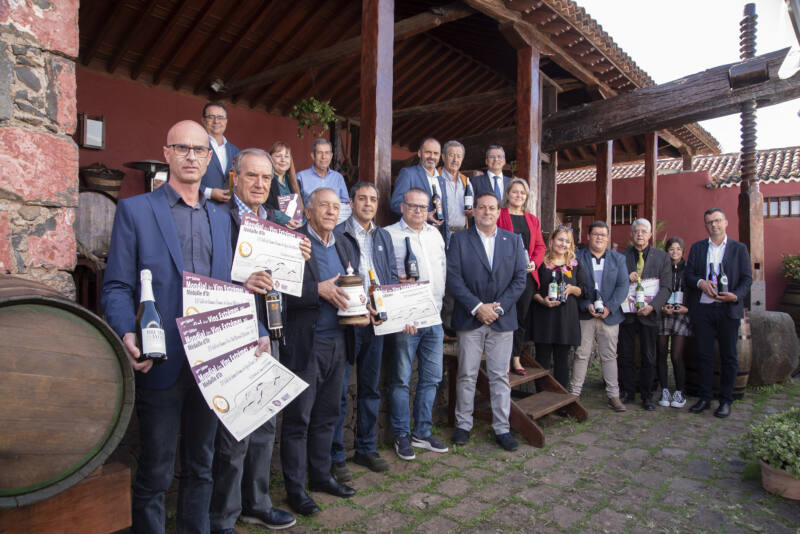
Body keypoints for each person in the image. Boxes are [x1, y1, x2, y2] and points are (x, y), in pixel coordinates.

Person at [102, 120, 234, 533]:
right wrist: (127, 332)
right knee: (156, 472)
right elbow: (117, 286)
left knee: (202, 465)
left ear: (209, 158)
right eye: (182, 148)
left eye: (198, 149)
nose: (191, 156)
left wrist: (257, 336)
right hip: (161, 360)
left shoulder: (224, 219)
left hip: (212, 362)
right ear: (167, 153)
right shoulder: (136, 210)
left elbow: (234, 288)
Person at [210, 148, 303, 533]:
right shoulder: (218, 219)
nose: (260, 184)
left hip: (274, 330)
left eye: (266, 178)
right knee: (236, 427)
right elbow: (207, 273)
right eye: (252, 176)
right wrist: (240, 283)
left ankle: (257, 503)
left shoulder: (278, 225)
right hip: (237, 333)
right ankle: (223, 516)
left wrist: (300, 258)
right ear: (235, 177)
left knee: (266, 422)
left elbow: (285, 281)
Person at [280, 188, 364, 516]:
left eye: (335, 207)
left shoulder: (345, 244)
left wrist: (364, 308)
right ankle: (295, 490)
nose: (331, 212)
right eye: (324, 206)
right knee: (298, 419)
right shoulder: (293, 242)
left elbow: (353, 286)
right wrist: (317, 289)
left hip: (340, 342)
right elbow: (278, 290)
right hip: (305, 344)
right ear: (309, 210)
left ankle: (320, 476)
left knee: (328, 416)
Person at [446, 192, 527, 451]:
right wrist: (478, 307)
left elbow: (519, 280)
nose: (487, 212)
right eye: (482, 208)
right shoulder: (459, 239)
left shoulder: (514, 241)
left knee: (499, 377)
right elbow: (453, 278)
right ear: (475, 211)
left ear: (499, 212)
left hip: (502, 321)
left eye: (492, 208)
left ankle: (502, 428)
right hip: (470, 318)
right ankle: (463, 425)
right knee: (467, 374)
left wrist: (498, 309)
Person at [330, 182, 398, 482]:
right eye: (362, 199)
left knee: (370, 389)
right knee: (340, 391)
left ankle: (366, 448)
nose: (368, 204)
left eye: (373, 199)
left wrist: (386, 307)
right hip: (347, 322)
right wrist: (360, 306)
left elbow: (392, 276)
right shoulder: (338, 233)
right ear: (352, 202)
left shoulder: (382, 235)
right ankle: (334, 456)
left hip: (377, 323)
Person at [385, 188, 449, 460]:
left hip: (434, 316)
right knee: (400, 379)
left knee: (432, 377)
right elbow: (382, 274)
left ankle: (422, 432)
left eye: (423, 207)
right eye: (413, 206)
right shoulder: (389, 234)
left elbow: (442, 269)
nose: (418, 211)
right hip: (407, 319)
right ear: (402, 207)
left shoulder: (435, 235)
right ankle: (401, 434)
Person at [685, 208, 752, 418]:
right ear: (705, 226)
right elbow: (689, 274)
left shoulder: (738, 249)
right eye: (709, 222)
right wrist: (700, 282)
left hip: (728, 310)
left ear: (725, 222)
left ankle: (725, 400)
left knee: (729, 357)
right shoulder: (697, 248)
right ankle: (705, 398)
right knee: (704, 356)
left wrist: (736, 296)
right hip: (703, 309)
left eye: (717, 221)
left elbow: (747, 279)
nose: (713, 225)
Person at [568, 221, 630, 412]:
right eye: (595, 234)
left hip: (609, 316)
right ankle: (574, 394)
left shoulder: (618, 259)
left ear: (607, 237)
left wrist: (609, 308)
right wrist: (586, 305)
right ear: (588, 236)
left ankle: (613, 395)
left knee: (610, 356)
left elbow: (623, 287)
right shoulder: (577, 257)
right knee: (581, 354)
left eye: (603, 235)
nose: (599, 238)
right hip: (585, 314)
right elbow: (574, 283)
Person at [618, 219, 672, 411]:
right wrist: (625, 277)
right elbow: (614, 282)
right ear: (631, 235)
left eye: (643, 231)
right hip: (627, 315)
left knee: (649, 356)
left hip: (649, 315)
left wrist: (653, 306)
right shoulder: (621, 257)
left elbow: (666, 287)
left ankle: (647, 396)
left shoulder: (662, 257)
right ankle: (627, 391)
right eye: (636, 231)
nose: (639, 234)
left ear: (650, 235)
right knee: (625, 355)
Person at [496, 178, 546, 375]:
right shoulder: (499, 215)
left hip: (526, 276)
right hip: (504, 276)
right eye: (515, 192)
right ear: (507, 194)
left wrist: (535, 262)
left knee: (521, 318)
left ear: (526, 197)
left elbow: (540, 246)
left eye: (522, 193)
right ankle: (503, 360)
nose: (518, 196)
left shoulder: (532, 219)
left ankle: (516, 359)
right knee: (504, 315)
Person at [530, 226, 588, 388]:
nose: (563, 244)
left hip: (566, 318)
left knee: (563, 360)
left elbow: (585, 290)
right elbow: (531, 289)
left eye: (567, 241)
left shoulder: (575, 264)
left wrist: (573, 289)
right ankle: (542, 396)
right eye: (560, 240)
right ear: (552, 240)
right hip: (544, 316)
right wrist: (542, 300)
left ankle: (561, 400)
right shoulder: (541, 262)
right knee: (542, 359)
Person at [389, 137, 450, 246]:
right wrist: (424, 215)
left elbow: (444, 212)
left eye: (436, 153)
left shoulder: (441, 180)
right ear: (419, 153)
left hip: (437, 238)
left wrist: (447, 240)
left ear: (440, 156)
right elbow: (395, 204)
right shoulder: (408, 174)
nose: (432, 156)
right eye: (428, 152)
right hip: (415, 237)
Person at [655, 237, 692, 409]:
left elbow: (693, 292)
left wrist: (687, 308)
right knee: (661, 353)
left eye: (678, 249)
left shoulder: (689, 269)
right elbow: (655, 289)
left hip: (681, 314)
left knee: (676, 355)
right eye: (671, 249)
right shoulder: (662, 268)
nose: (675, 252)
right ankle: (664, 389)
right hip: (664, 314)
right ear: (666, 251)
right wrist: (661, 306)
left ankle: (679, 391)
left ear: (683, 251)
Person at [200, 101, 240, 203]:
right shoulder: (195, 147)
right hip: (202, 208)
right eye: (211, 117)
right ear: (203, 120)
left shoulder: (236, 151)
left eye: (220, 117)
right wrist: (210, 193)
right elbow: (181, 180)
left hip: (229, 211)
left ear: (226, 121)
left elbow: (235, 178)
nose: (216, 121)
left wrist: (231, 190)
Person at [297, 138, 349, 204]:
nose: (323, 157)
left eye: (327, 153)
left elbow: (345, 203)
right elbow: (295, 207)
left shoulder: (338, 178)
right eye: (319, 153)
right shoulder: (301, 177)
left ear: (331, 156)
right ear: (313, 156)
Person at [266, 141, 304, 229]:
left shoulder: (295, 182)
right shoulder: (265, 181)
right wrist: (286, 219)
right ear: (270, 158)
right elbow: (263, 208)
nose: (283, 160)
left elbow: (302, 209)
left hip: (295, 229)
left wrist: (301, 222)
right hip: (273, 230)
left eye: (286, 156)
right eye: (278, 156)